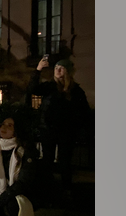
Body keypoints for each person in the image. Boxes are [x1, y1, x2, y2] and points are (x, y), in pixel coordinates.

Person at [28, 56, 91, 201]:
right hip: (48, 130)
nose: (57, 70)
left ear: (68, 71)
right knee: (47, 160)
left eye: (61, 68)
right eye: (56, 68)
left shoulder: (76, 91)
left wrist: (80, 129)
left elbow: (84, 112)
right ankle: (47, 188)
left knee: (65, 161)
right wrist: (38, 69)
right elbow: (32, 89)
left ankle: (66, 189)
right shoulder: (50, 86)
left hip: (66, 132)